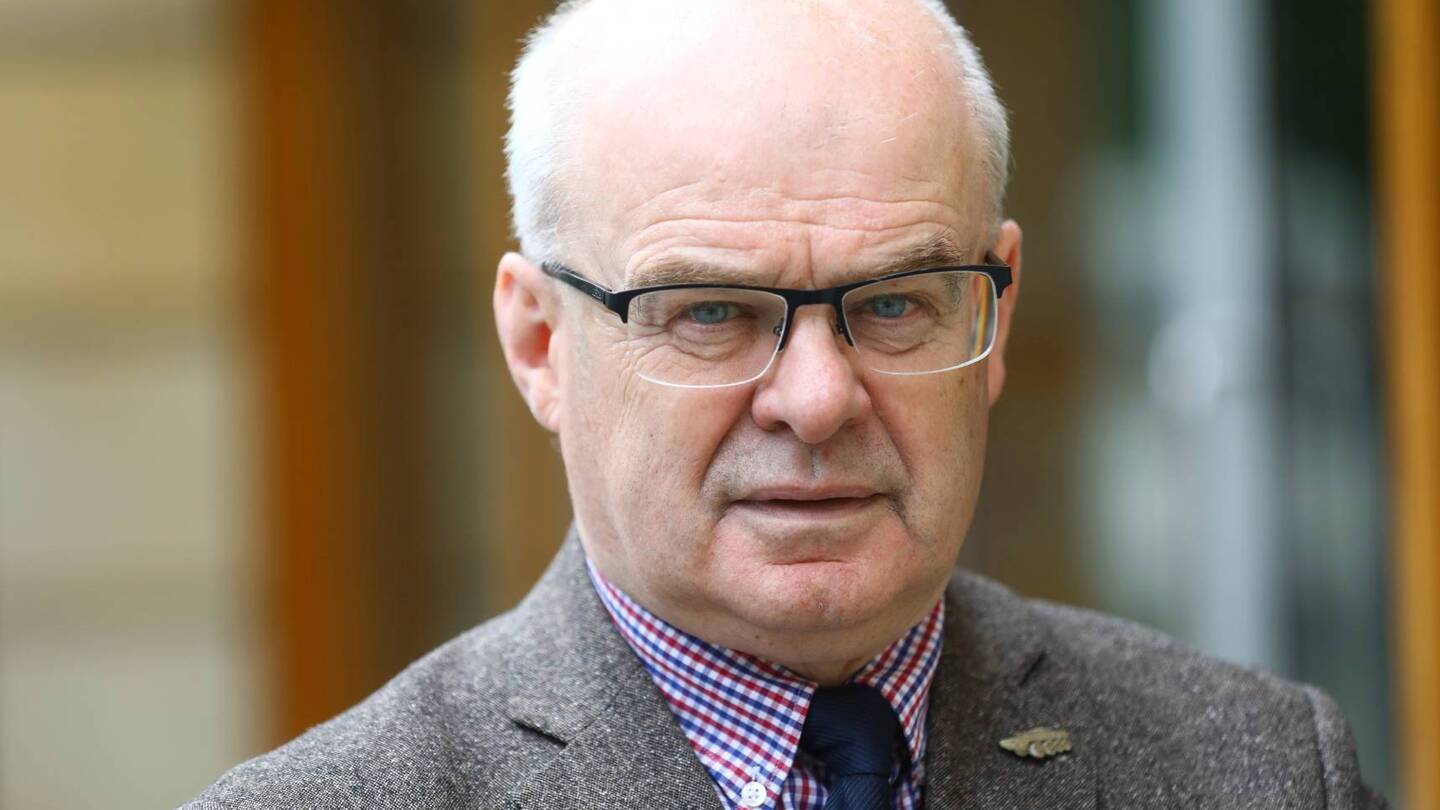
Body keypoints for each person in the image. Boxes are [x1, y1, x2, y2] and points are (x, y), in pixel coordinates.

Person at [186, 0, 1386, 807]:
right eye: (713, 312)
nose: (816, 401)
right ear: (541, 343)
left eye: (896, 303)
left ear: (996, 316)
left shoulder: (1263, 773)